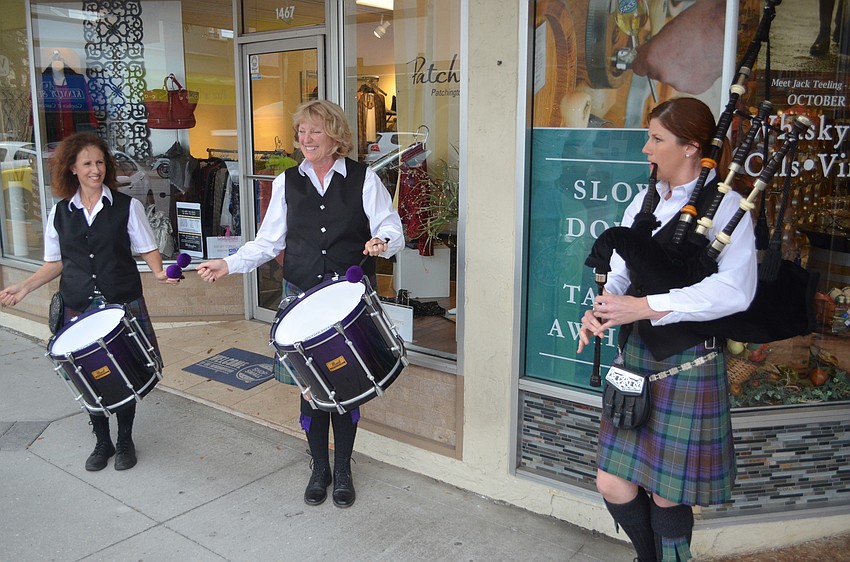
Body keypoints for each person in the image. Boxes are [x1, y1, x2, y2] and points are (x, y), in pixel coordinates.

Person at [196, 99, 404, 509]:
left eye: (314, 131)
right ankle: (318, 468)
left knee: (348, 388)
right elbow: (268, 242)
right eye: (301, 132)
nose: (306, 139)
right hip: (302, 296)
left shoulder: (364, 179)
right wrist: (229, 263)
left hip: (347, 299)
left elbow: (390, 225)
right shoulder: (286, 181)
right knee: (310, 390)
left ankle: (342, 468)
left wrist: (383, 241)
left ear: (335, 136)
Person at [577, 97, 757, 561]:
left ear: (692, 148)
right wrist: (599, 308)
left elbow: (735, 292)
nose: (646, 149)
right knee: (611, 480)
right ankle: (648, 556)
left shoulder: (728, 206)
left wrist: (647, 305)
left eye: (657, 139)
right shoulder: (648, 198)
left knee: (666, 492)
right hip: (636, 357)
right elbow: (620, 267)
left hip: (688, 360)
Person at [0, 132, 178, 471]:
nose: (95, 170)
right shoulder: (60, 213)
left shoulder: (128, 206)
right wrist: (24, 287)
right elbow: (56, 262)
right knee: (87, 375)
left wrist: (158, 272)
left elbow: (147, 247)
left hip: (119, 304)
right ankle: (102, 440)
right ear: (72, 169)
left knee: (121, 372)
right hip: (78, 305)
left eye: (99, 162)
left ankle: (125, 438)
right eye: (87, 164)